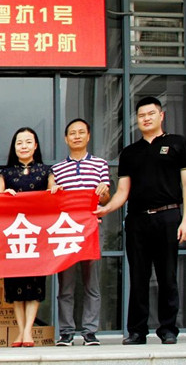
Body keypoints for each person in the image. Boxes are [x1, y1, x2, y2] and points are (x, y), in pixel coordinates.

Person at [95, 97, 186, 345]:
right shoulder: (130, 153)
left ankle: (168, 329)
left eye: (151, 114)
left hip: (168, 216)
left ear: (161, 116)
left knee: (167, 275)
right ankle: (137, 331)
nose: (146, 118)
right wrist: (105, 210)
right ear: (137, 120)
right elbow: (122, 192)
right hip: (137, 220)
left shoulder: (178, 144)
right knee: (138, 276)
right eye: (141, 115)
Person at [50, 119, 110, 347]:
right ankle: (66, 332)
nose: (77, 136)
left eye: (81, 132)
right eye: (72, 133)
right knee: (66, 284)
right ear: (66, 139)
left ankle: (90, 332)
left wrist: (103, 193)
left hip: (92, 228)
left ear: (88, 136)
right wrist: (53, 192)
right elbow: (53, 201)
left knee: (91, 283)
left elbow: (105, 199)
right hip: (66, 231)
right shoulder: (57, 169)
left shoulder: (100, 164)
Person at [0, 127, 54, 348]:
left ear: (35, 145)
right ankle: (20, 331)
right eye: (19, 142)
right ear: (14, 147)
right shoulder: (6, 174)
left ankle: (28, 331)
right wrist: (4, 197)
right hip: (13, 237)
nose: (24, 146)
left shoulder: (46, 171)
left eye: (28, 142)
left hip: (37, 236)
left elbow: (53, 198)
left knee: (35, 285)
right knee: (15, 286)